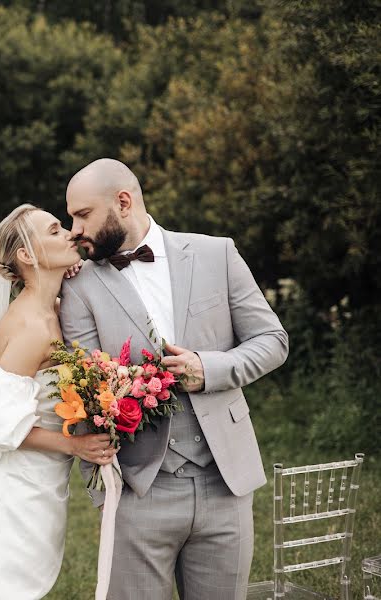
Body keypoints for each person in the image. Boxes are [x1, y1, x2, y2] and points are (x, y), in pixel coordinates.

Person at [60, 158, 289, 600]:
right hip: (138, 490)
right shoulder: (79, 286)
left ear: (123, 202)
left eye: (82, 214)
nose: (74, 229)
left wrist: (210, 369)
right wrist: (107, 495)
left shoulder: (216, 253)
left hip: (226, 483)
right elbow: (83, 391)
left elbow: (272, 339)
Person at [0, 203, 116, 600]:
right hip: (16, 489)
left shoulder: (55, 307)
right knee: (8, 590)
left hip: (42, 481)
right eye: (54, 231)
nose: (68, 233)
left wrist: (67, 271)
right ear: (27, 256)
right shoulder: (31, 327)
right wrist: (75, 445)